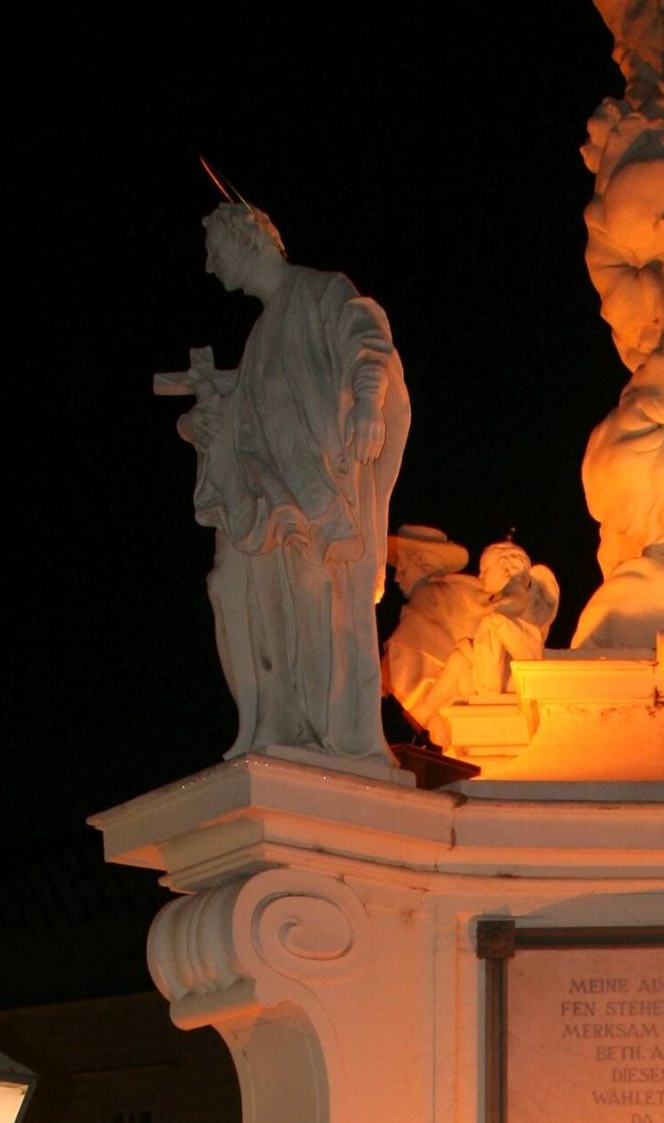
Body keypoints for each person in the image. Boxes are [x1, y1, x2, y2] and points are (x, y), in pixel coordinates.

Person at [165, 199, 411, 765]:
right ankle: (284, 726)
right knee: (245, 592)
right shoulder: (258, 341)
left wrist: (369, 400)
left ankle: (337, 741)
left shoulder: (321, 293)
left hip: (320, 503)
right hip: (274, 508)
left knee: (323, 613)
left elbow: (367, 340)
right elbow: (251, 424)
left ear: (249, 239)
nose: (210, 266)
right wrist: (204, 424)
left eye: (215, 250)